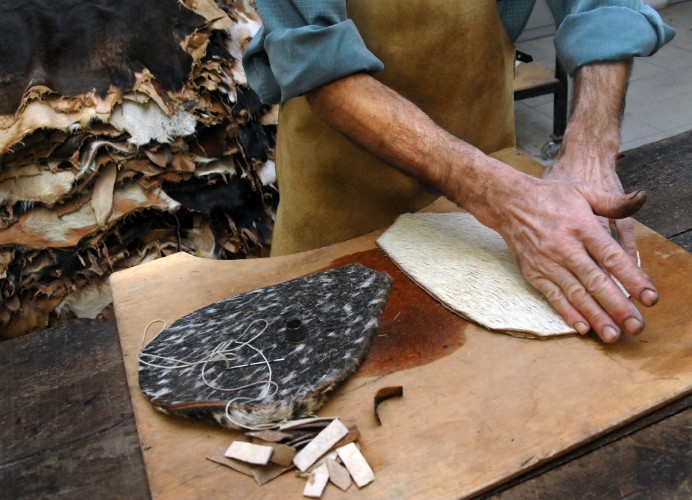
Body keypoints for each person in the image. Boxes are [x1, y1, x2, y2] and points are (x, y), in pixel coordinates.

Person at [242, 0, 675, 344]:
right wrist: (509, 200)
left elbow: (602, 4)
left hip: (485, 198)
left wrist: (590, 149)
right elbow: (318, 64)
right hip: (341, 196)